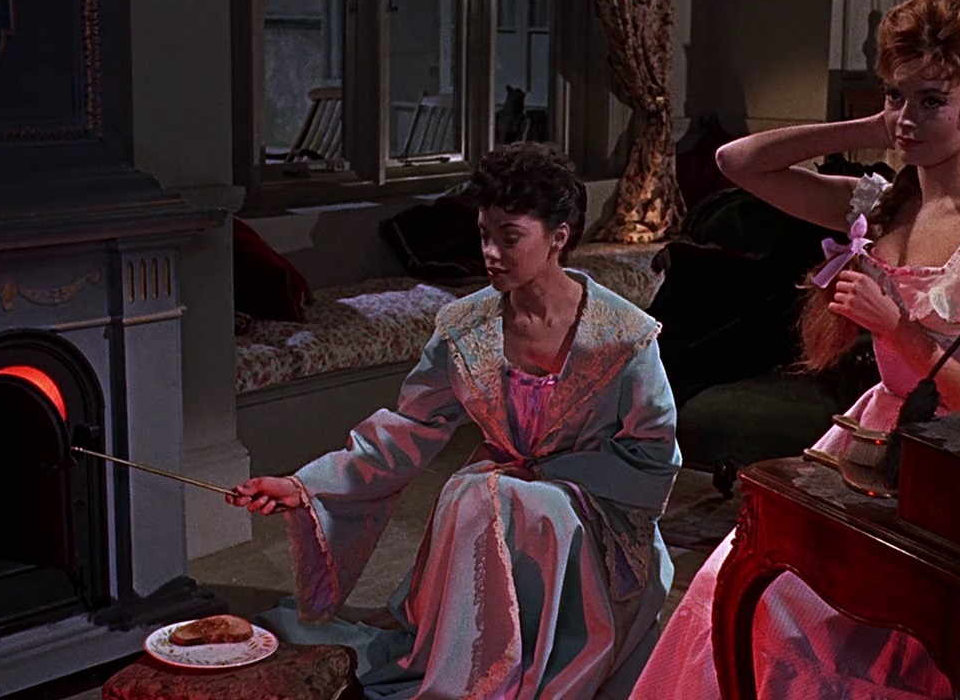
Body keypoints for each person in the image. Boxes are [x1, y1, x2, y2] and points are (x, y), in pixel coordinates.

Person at [630, 0, 960, 699]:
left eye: (932, 101)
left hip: (950, 471)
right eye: (897, 96)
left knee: (815, 641)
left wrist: (899, 330)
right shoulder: (882, 200)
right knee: (726, 589)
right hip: (864, 446)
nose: (908, 118)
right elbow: (738, 161)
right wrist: (875, 123)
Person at [229, 142, 682, 700]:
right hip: (496, 506)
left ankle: (546, 660)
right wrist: (304, 487)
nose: (489, 252)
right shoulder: (466, 327)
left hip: (589, 518)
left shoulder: (622, 335)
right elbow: (404, 431)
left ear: (558, 237)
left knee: (515, 502)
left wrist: (553, 479)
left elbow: (653, 455)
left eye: (509, 237)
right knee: (477, 494)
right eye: (483, 234)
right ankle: (478, 669)